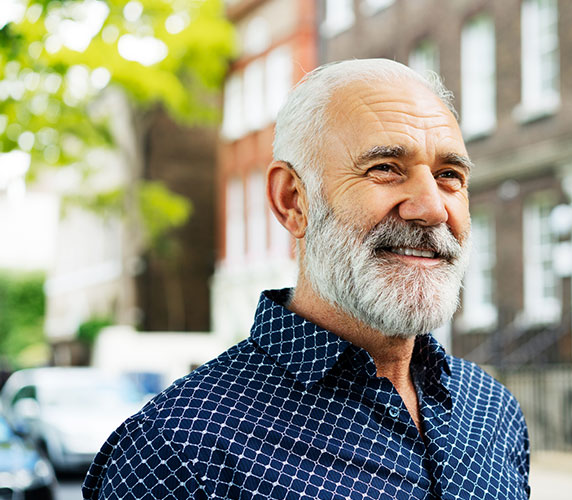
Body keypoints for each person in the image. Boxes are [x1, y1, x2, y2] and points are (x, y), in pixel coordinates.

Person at [82, 58, 530, 500]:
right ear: (293, 200)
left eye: (449, 176)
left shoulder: (492, 409)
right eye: (385, 169)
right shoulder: (176, 452)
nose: (432, 208)